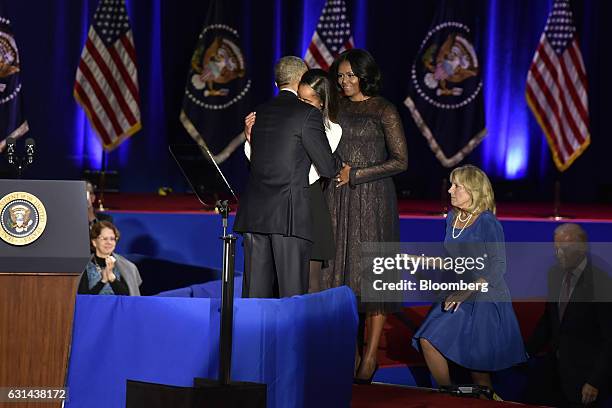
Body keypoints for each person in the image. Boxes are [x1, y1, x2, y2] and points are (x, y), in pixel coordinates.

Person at [322, 49, 408, 383]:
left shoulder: (384, 108)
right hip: (338, 200)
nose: (343, 82)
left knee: (373, 279)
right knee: (340, 277)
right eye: (340, 76)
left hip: (374, 201)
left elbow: (401, 161)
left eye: (350, 75)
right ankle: (351, 352)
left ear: (365, 75)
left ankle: (370, 357)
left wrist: (356, 174)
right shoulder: (335, 107)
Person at [233, 56, 344, 299]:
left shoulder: (258, 113)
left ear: (276, 83)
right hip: (289, 218)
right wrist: (339, 162)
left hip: (255, 215)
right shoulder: (307, 115)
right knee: (291, 295)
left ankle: (251, 339)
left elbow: (257, 162)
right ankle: (288, 339)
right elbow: (326, 167)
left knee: (255, 297)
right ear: (301, 80)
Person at [412, 165, 526, 398]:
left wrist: (465, 292)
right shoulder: (453, 217)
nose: (450, 190)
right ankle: (448, 396)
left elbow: (498, 266)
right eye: (451, 185)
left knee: (479, 374)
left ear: (473, 191)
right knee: (427, 339)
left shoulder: (488, 222)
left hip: (484, 296)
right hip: (457, 294)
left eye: (457, 186)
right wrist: (415, 260)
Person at [526, 223, 612, 407]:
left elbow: (610, 339)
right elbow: (550, 320)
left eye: (564, 249)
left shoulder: (601, 282)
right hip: (555, 373)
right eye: (555, 249)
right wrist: (524, 352)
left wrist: (595, 381)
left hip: (585, 379)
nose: (558, 255)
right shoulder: (555, 274)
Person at [78, 221, 142, 296]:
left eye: (112, 239)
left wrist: (112, 279)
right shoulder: (84, 266)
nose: (109, 242)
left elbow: (128, 298)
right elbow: (82, 299)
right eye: (104, 239)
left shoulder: (127, 266)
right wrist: (103, 281)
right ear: (94, 242)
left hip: (119, 307)